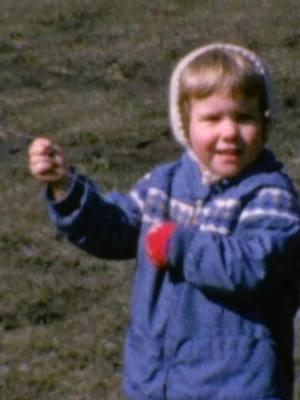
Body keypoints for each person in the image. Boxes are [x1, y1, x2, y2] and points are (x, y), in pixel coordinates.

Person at [28, 43, 300, 400]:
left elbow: (254, 264)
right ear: (185, 126)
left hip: (236, 382)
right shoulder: (164, 183)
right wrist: (66, 188)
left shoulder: (270, 194)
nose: (230, 132)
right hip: (155, 377)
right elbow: (116, 229)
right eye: (213, 118)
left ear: (264, 123)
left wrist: (178, 244)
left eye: (244, 117)